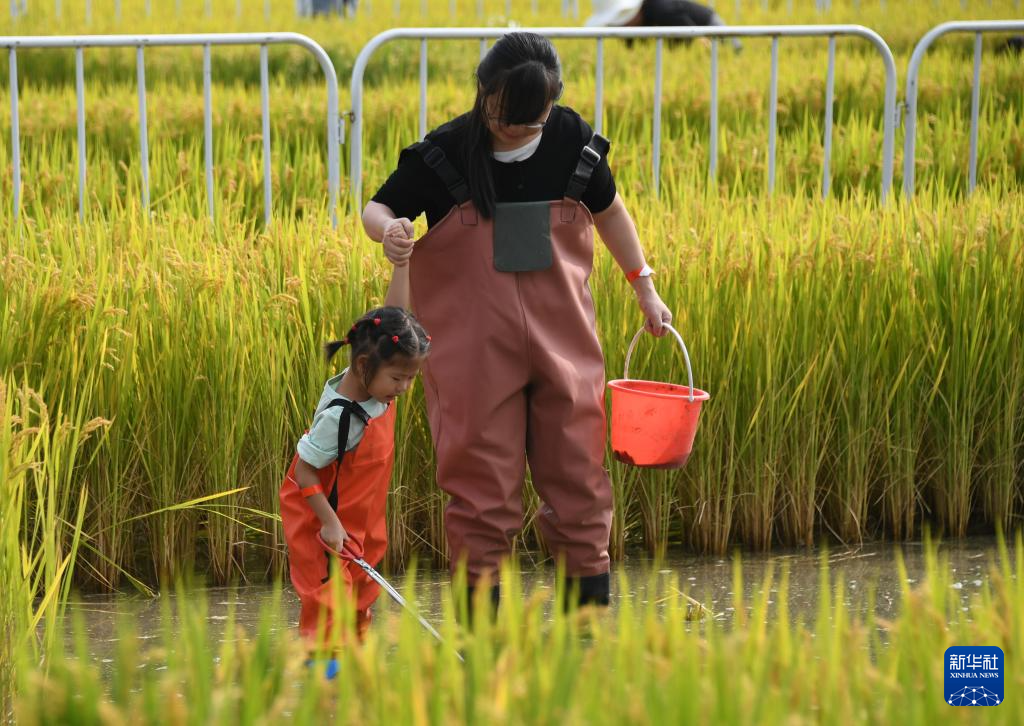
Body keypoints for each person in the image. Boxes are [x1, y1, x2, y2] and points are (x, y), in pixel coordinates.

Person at [362, 32, 672, 612]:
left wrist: (644, 286)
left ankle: (584, 628)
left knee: (580, 480)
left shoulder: (572, 141)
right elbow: (376, 207)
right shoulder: (445, 152)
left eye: (530, 122)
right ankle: (482, 641)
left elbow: (610, 212)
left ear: (552, 105)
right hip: (472, 357)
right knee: (481, 492)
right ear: (483, 94)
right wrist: (390, 231)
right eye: (502, 117)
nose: (514, 130)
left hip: (565, 346)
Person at [278, 263, 431, 660]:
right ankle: (325, 682)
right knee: (330, 611)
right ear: (363, 366)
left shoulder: (378, 378)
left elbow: (395, 316)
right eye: (398, 378)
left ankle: (355, 676)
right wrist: (329, 523)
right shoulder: (340, 418)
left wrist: (402, 263)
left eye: (411, 378)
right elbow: (303, 471)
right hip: (322, 524)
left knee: (360, 601)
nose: (404, 388)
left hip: (361, 521)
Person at [585, 0, 743, 52]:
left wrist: (715, 53)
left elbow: (698, 39)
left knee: (734, 52)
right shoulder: (628, 30)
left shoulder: (662, 9)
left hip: (711, 27)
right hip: (680, 43)